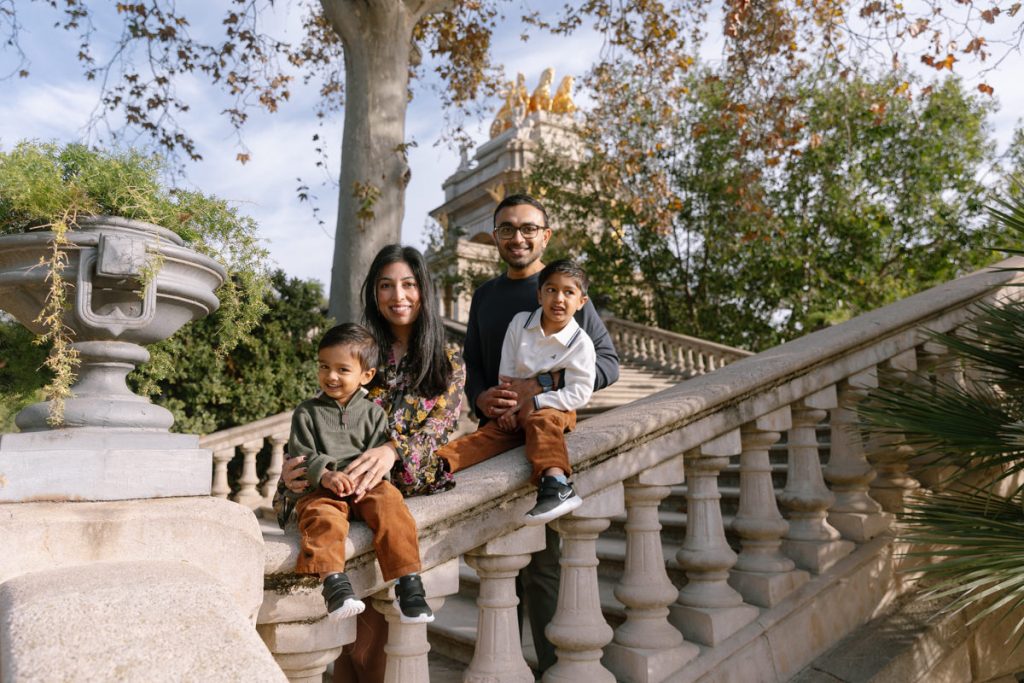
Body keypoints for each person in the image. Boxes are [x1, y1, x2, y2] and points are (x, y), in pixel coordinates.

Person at [279, 244, 465, 682]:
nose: (397, 295)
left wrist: (391, 449)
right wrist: (291, 476)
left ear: (424, 289)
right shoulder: (357, 354)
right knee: (347, 652)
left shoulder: (447, 360)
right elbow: (315, 426)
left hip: (393, 501)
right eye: (386, 285)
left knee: (377, 653)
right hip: (337, 500)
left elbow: (436, 432)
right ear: (373, 293)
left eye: (408, 284)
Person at [462, 193, 619, 675]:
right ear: (495, 236)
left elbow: (606, 366)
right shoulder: (486, 296)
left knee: (543, 565)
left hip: (542, 438)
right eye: (507, 228)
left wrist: (540, 386)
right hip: (498, 431)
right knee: (499, 565)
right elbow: (475, 368)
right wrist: (481, 399)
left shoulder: (563, 289)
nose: (518, 237)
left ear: (545, 235)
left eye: (529, 228)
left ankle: (559, 671)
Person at [287, 322, 433, 624]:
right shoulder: (307, 412)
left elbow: (378, 458)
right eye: (324, 366)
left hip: (366, 486)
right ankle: (335, 585)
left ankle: (409, 585)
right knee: (321, 518)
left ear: (366, 375)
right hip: (323, 488)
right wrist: (325, 474)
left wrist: (368, 484)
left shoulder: (374, 414)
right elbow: (301, 454)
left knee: (392, 506)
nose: (331, 376)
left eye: (342, 369)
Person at [439, 259, 596, 525]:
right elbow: (507, 373)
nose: (559, 298)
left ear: (581, 301)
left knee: (542, 422)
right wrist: (508, 407)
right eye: (551, 290)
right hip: (514, 406)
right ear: (539, 294)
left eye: (569, 292)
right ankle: (436, 465)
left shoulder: (581, 342)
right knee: (487, 435)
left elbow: (580, 392)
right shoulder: (520, 323)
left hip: (555, 408)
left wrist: (535, 402)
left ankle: (557, 483)